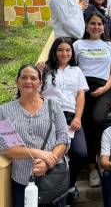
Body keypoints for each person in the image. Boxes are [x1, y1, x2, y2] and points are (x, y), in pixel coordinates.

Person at [0, 64, 69, 207]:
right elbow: (6, 147)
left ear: (40, 83)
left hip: (53, 177)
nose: (28, 81)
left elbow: (63, 139)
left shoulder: (53, 106)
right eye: (23, 77)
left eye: (33, 78)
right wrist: (39, 153)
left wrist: (48, 162)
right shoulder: (4, 111)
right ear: (17, 81)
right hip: (22, 180)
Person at [73, 12, 111, 187]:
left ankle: (103, 159)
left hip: (104, 87)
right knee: (85, 123)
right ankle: (92, 168)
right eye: (92, 23)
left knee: (98, 119)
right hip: (82, 88)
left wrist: (106, 87)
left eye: (99, 24)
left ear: (104, 27)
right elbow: (71, 67)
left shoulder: (110, 45)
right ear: (86, 26)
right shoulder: (77, 44)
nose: (96, 27)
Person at [40, 37, 89, 201]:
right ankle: (51, 190)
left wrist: (78, 117)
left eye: (68, 50)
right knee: (51, 154)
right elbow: (37, 93)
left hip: (70, 117)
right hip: (49, 116)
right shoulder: (44, 70)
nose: (64, 53)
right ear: (54, 51)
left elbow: (80, 95)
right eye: (60, 50)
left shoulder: (76, 71)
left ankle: (69, 186)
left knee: (80, 153)